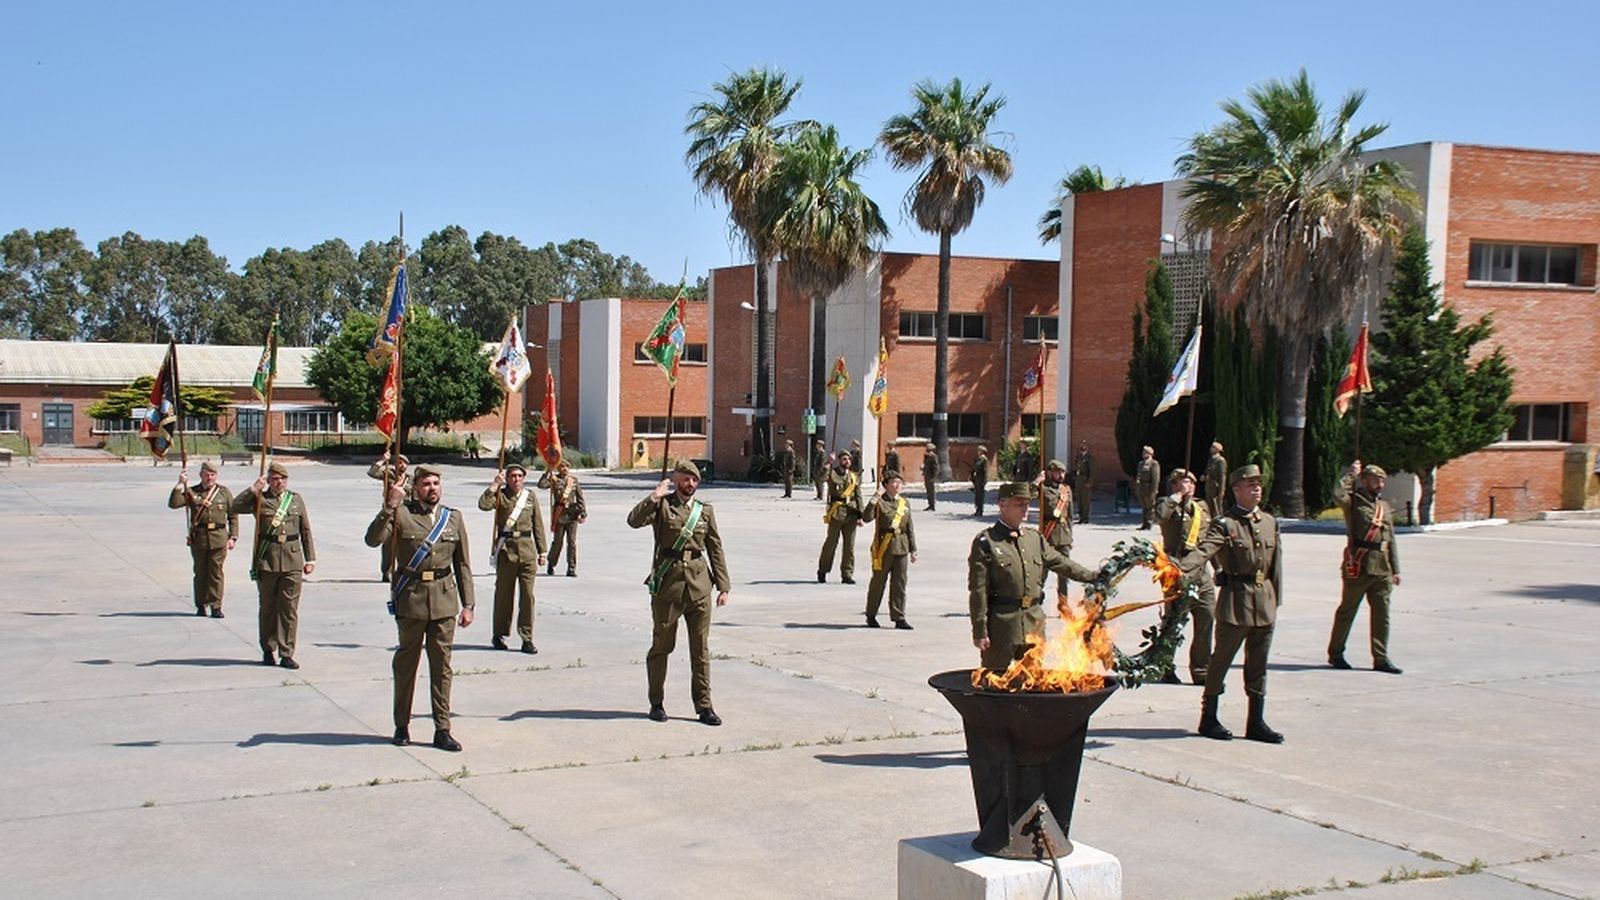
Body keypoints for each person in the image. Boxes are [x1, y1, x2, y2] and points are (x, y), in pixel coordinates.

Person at [366, 465, 474, 751]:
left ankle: (442, 728)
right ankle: (402, 725)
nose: (432, 488)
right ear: (415, 488)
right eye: (426, 483)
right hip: (411, 600)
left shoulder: (453, 518)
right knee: (406, 666)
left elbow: (462, 564)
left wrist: (469, 604)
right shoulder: (402, 514)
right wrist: (390, 504)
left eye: (436, 483)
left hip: (444, 602)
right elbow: (373, 539)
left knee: (442, 668)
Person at [1180, 464, 1284, 744]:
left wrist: (1276, 601)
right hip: (1236, 602)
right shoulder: (1226, 524)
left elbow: (1276, 567)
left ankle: (1256, 721)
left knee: (1258, 665)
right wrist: (1180, 569)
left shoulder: (1270, 522)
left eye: (1258, 484)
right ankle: (1209, 717)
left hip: (1264, 602)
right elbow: (1204, 550)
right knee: (1220, 662)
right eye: (1250, 485)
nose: (1256, 488)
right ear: (1236, 490)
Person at [627, 460, 730, 726]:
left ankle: (704, 706)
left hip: (699, 586)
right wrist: (653, 497)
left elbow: (715, 548)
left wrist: (723, 585)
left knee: (701, 650)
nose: (691, 484)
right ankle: (656, 702)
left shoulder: (704, 511)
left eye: (695, 480)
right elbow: (633, 521)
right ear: (676, 479)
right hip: (668, 586)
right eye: (686, 479)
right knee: (662, 645)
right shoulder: (662, 505)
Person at [967, 483, 1098, 670]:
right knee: (995, 684)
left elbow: (1061, 563)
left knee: (1033, 683)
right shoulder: (986, 542)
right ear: (1002, 505)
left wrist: (1092, 576)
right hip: (1002, 627)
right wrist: (980, 631)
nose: (1025, 509)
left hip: (1034, 622)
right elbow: (978, 590)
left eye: (1027, 504)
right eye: (1019, 504)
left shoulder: (1034, 539)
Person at [232, 461, 315, 669]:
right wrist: (253, 489)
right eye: (275, 479)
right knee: (268, 608)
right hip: (267, 561)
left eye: (283, 479)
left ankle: (287, 652)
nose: (279, 483)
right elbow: (234, 507)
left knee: (289, 610)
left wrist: (310, 558)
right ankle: (268, 649)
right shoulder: (260, 499)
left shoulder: (295, 500)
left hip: (292, 561)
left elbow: (305, 529)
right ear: (268, 480)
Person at [1328, 461, 1403, 674]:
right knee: (1347, 611)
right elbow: (1337, 493)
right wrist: (1351, 473)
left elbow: (1391, 540)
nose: (1379, 484)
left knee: (1382, 614)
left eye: (1382, 480)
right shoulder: (1352, 502)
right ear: (1365, 480)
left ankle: (1381, 657)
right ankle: (1336, 653)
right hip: (1359, 566)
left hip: (1382, 569)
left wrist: (1395, 569)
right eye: (1375, 479)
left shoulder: (1384, 507)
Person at [478, 462, 548, 654]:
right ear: (507, 478)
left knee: (527, 597)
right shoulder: (500, 495)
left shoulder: (530, 497)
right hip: (506, 552)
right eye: (512, 476)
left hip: (527, 552)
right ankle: (499, 634)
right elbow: (483, 505)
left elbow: (538, 525)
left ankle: (527, 638)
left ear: (524, 478)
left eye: (519, 476)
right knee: (503, 596)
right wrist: (494, 485)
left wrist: (543, 551)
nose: (516, 479)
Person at [1155, 468, 1215, 685]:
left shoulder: (1202, 507)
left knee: (1207, 617)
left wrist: (1218, 568)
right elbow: (1160, 516)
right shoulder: (1167, 504)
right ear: (1174, 485)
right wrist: (1176, 497)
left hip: (1201, 572)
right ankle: (1164, 666)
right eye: (1183, 481)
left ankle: (1201, 671)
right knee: (1174, 621)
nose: (1188, 484)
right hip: (1177, 569)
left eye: (1191, 481)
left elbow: (1210, 540)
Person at [169, 460, 237, 618]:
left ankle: (216, 605)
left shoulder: (224, 492)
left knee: (216, 573)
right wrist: (180, 484)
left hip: (219, 538)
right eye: (207, 475)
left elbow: (233, 515)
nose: (210, 478)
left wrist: (233, 536)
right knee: (200, 573)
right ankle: (201, 604)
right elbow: (174, 504)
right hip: (199, 539)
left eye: (213, 475)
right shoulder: (192, 492)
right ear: (201, 475)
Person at [862, 470, 917, 629]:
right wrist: (875, 497)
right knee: (878, 583)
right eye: (894, 482)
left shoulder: (904, 503)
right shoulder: (880, 502)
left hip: (901, 547)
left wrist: (913, 549)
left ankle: (899, 617)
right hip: (883, 548)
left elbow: (909, 527)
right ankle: (871, 615)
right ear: (886, 485)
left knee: (899, 584)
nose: (897, 485)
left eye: (900, 482)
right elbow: (866, 517)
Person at [818, 450, 864, 584]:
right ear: (839, 460)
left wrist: (861, 515)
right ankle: (823, 570)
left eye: (848, 459)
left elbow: (858, 496)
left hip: (851, 514)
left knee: (849, 546)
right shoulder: (833, 473)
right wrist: (828, 463)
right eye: (844, 459)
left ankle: (847, 574)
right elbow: (820, 478)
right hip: (837, 513)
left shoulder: (854, 477)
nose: (847, 461)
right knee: (831, 544)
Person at [1032, 459, 1076, 595]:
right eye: (1058, 472)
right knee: (1042, 573)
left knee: (1064, 574)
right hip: (1048, 536)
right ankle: (1035, 602)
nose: (1061, 475)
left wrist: (1070, 538)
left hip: (1063, 537)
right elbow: (1026, 495)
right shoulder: (1043, 489)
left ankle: (1063, 604)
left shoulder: (1066, 490)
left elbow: (1070, 516)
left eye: (1063, 472)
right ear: (1050, 473)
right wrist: (1037, 481)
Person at [368, 450, 410, 581]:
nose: (402, 465)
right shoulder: (388, 474)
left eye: (404, 463)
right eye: (399, 463)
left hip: (405, 514)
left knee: (406, 543)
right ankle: (387, 571)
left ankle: (404, 570)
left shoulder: (411, 479)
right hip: (390, 513)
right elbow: (372, 472)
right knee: (389, 543)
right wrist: (382, 460)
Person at [538, 462, 586, 577]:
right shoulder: (554, 479)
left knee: (572, 543)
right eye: (562, 467)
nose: (564, 469)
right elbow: (541, 485)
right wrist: (547, 473)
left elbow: (580, 497)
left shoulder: (573, 481)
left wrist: (582, 512)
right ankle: (552, 562)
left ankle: (571, 568)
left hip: (572, 515)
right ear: (558, 468)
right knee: (558, 542)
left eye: (566, 467)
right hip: (559, 514)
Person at [1136, 445, 1161, 530]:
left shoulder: (1154, 464)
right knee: (1144, 507)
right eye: (1143, 452)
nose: (1143, 454)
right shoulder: (1141, 463)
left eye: (1145, 452)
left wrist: (1154, 491)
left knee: (1150, 507)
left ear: (1150, 453)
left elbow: (1155, 478)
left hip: (1149, 487)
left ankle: (1149, 523)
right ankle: (1144, 523)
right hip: (1141, 488)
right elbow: (1138, 475)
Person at [1204, 442, 1228, 517]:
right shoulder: (1211, 459)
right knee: (1209, 507)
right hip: (1209, 487)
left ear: (1218, 450)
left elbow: (1222, 476)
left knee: (1217, 508)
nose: (1211, 449)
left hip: (1216, 488)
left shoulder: (1220, 460)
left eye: (1213, 447)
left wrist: (1221, 491)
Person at [1072, 441, 1094, 524]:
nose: (1082, 447)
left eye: (1084, 446)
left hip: (1085, 480)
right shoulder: (1079, 457)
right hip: (1078, 480)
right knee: (1079, 499)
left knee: (1085, 500)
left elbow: (1092, 471)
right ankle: (1081, 517)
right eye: (1081, 445)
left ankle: (1086, 517)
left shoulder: (1090, 458)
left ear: (1087, 447)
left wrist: (1089, 482)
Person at [971, 446, 989, 517]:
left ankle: (980, 510)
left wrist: (975, 462)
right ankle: (977, 509)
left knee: (980, 495)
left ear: (982, 451)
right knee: (977, 495)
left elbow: (977, 466)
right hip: (978, 479)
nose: (978, 452)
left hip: (981, 479)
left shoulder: (983, 459)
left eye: (979, 450)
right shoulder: (979, 458)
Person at [921, 441, 940, 511]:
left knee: (931, 491)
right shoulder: (926, 456)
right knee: (928, 491)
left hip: (931, 476)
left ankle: (932, 505)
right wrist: (923, 468)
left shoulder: (933, 457)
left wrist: (934, 476)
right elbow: (926, 465)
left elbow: (936, 467)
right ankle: (929, 504)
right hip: (927, 475)